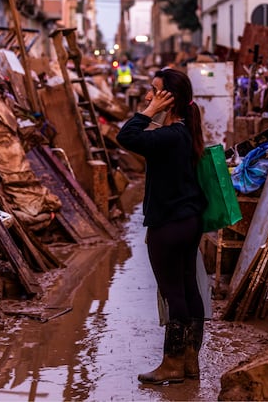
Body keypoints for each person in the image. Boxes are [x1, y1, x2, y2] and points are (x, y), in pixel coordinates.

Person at [116, 68, 207, 385]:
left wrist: (150, 111)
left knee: (174, 294)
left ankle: (172, 364)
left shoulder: (168, 136)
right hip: (189, 220)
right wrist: (157, 110)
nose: (147, 97)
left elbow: (126, 136)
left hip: (168, 225)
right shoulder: (184, 133)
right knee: (188, 287)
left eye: (153, 91)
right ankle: (189, 362)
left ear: (170, 99)